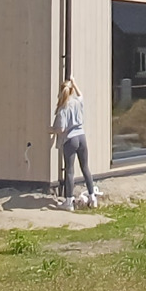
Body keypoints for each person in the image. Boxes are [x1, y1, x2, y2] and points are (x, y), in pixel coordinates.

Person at [52, 78, 100, 210]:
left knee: (70, 170)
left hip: (70, 139)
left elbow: (61, 129)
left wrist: (52, 130)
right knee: (85, 167)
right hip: (81, 137)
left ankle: (68, 201)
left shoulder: (63, 108)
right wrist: (74, 82)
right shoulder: (77, 102)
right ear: (72, 91)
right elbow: (81, 95)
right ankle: (92, 197)